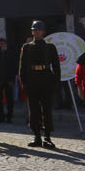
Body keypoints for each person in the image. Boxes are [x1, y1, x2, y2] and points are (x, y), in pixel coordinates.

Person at [18, 21, 61, 149]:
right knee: (34, 111)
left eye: (39, 29)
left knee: (47, 110)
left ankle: (47, 137)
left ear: (43, 31)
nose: (36, 32)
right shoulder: (26, 47)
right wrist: (24, 83)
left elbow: (56, 67)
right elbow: (22, 67)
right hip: (32, 82)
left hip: (46, 81)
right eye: (34, 30)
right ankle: (36, 136)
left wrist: (55, 82)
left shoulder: (50, 47)